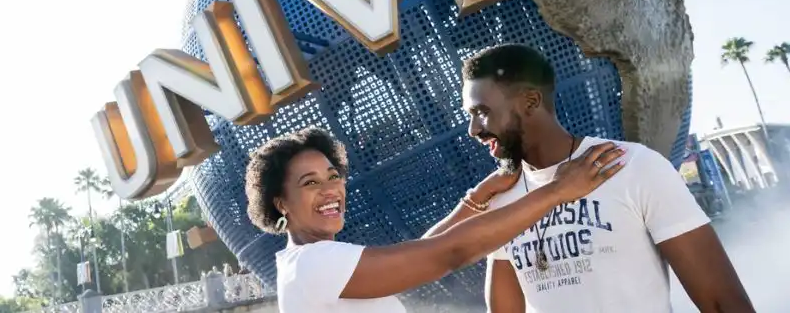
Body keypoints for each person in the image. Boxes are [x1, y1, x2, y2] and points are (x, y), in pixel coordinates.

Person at [460, 44, 754, 313]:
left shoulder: (634, 166)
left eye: (482, 112)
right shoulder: (499, 197)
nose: (473, 129)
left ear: (531, 101)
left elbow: (721, 301)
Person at [245, 127, 626, 312]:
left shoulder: (308, 262)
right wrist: (557, 191)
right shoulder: (315, 264)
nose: (331, 190)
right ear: (281, 202)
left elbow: (421, 250)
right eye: (310, 183)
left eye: (333, 176)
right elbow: (446, 254)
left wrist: (476, 199)